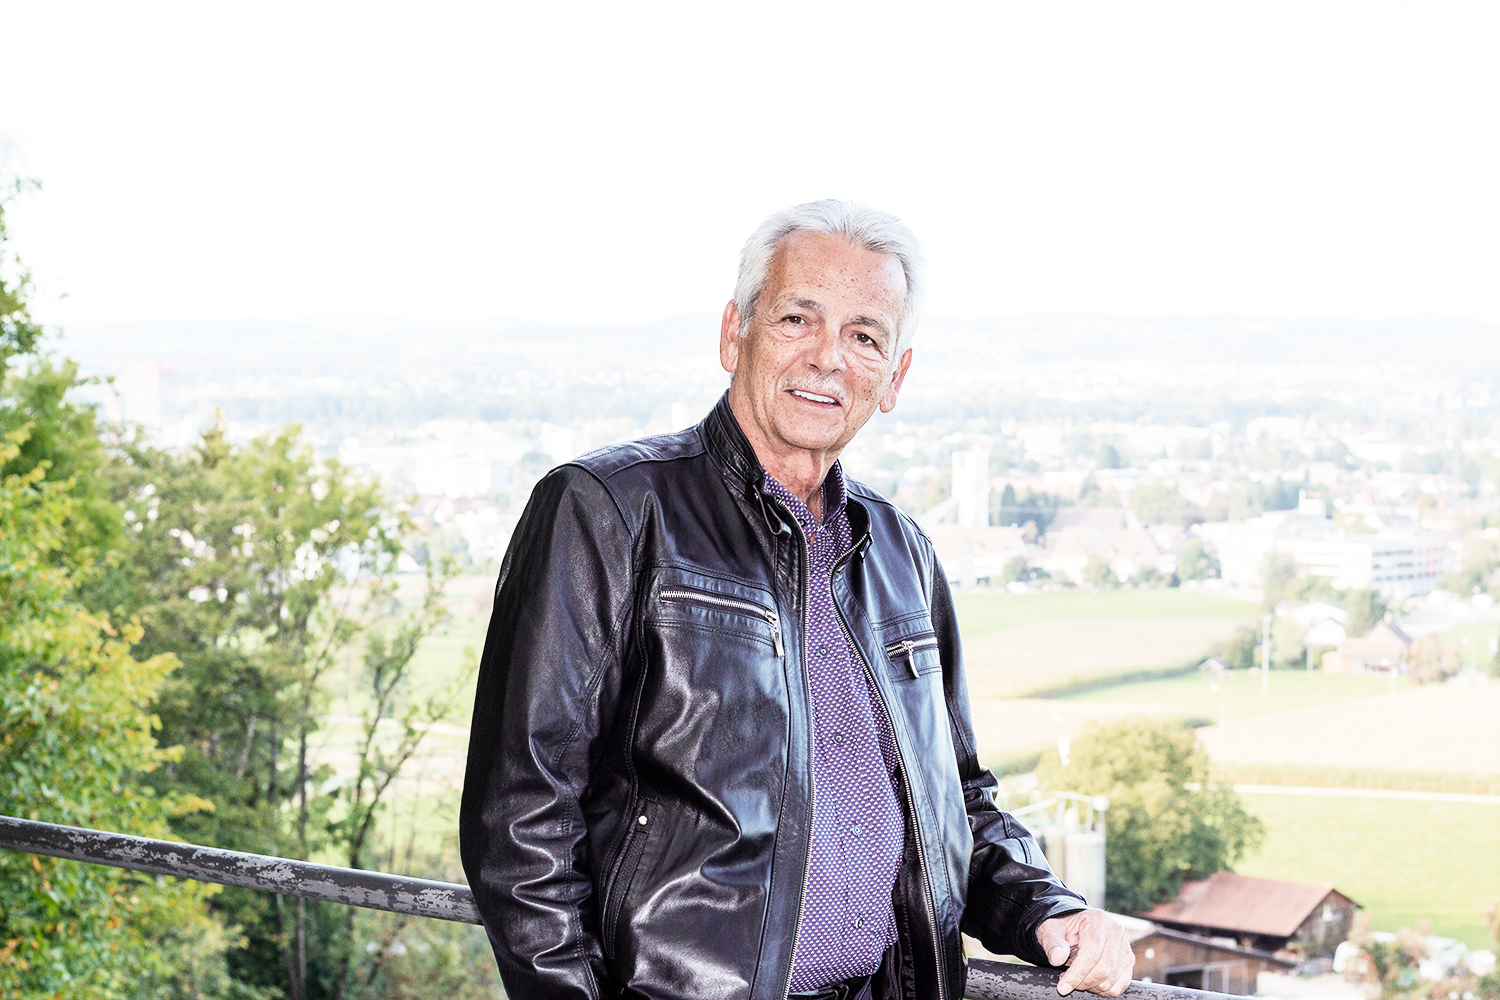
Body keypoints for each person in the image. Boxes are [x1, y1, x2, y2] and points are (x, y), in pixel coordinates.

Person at [460, 201, 1134, 1000]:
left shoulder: (903, 554)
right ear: (733, 334)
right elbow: (520, 822)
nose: (828, 358)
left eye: (864, 337)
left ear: (894, 378)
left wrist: (1051, 909)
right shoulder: (608, 511)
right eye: (796, 319)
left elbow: (956, 806)